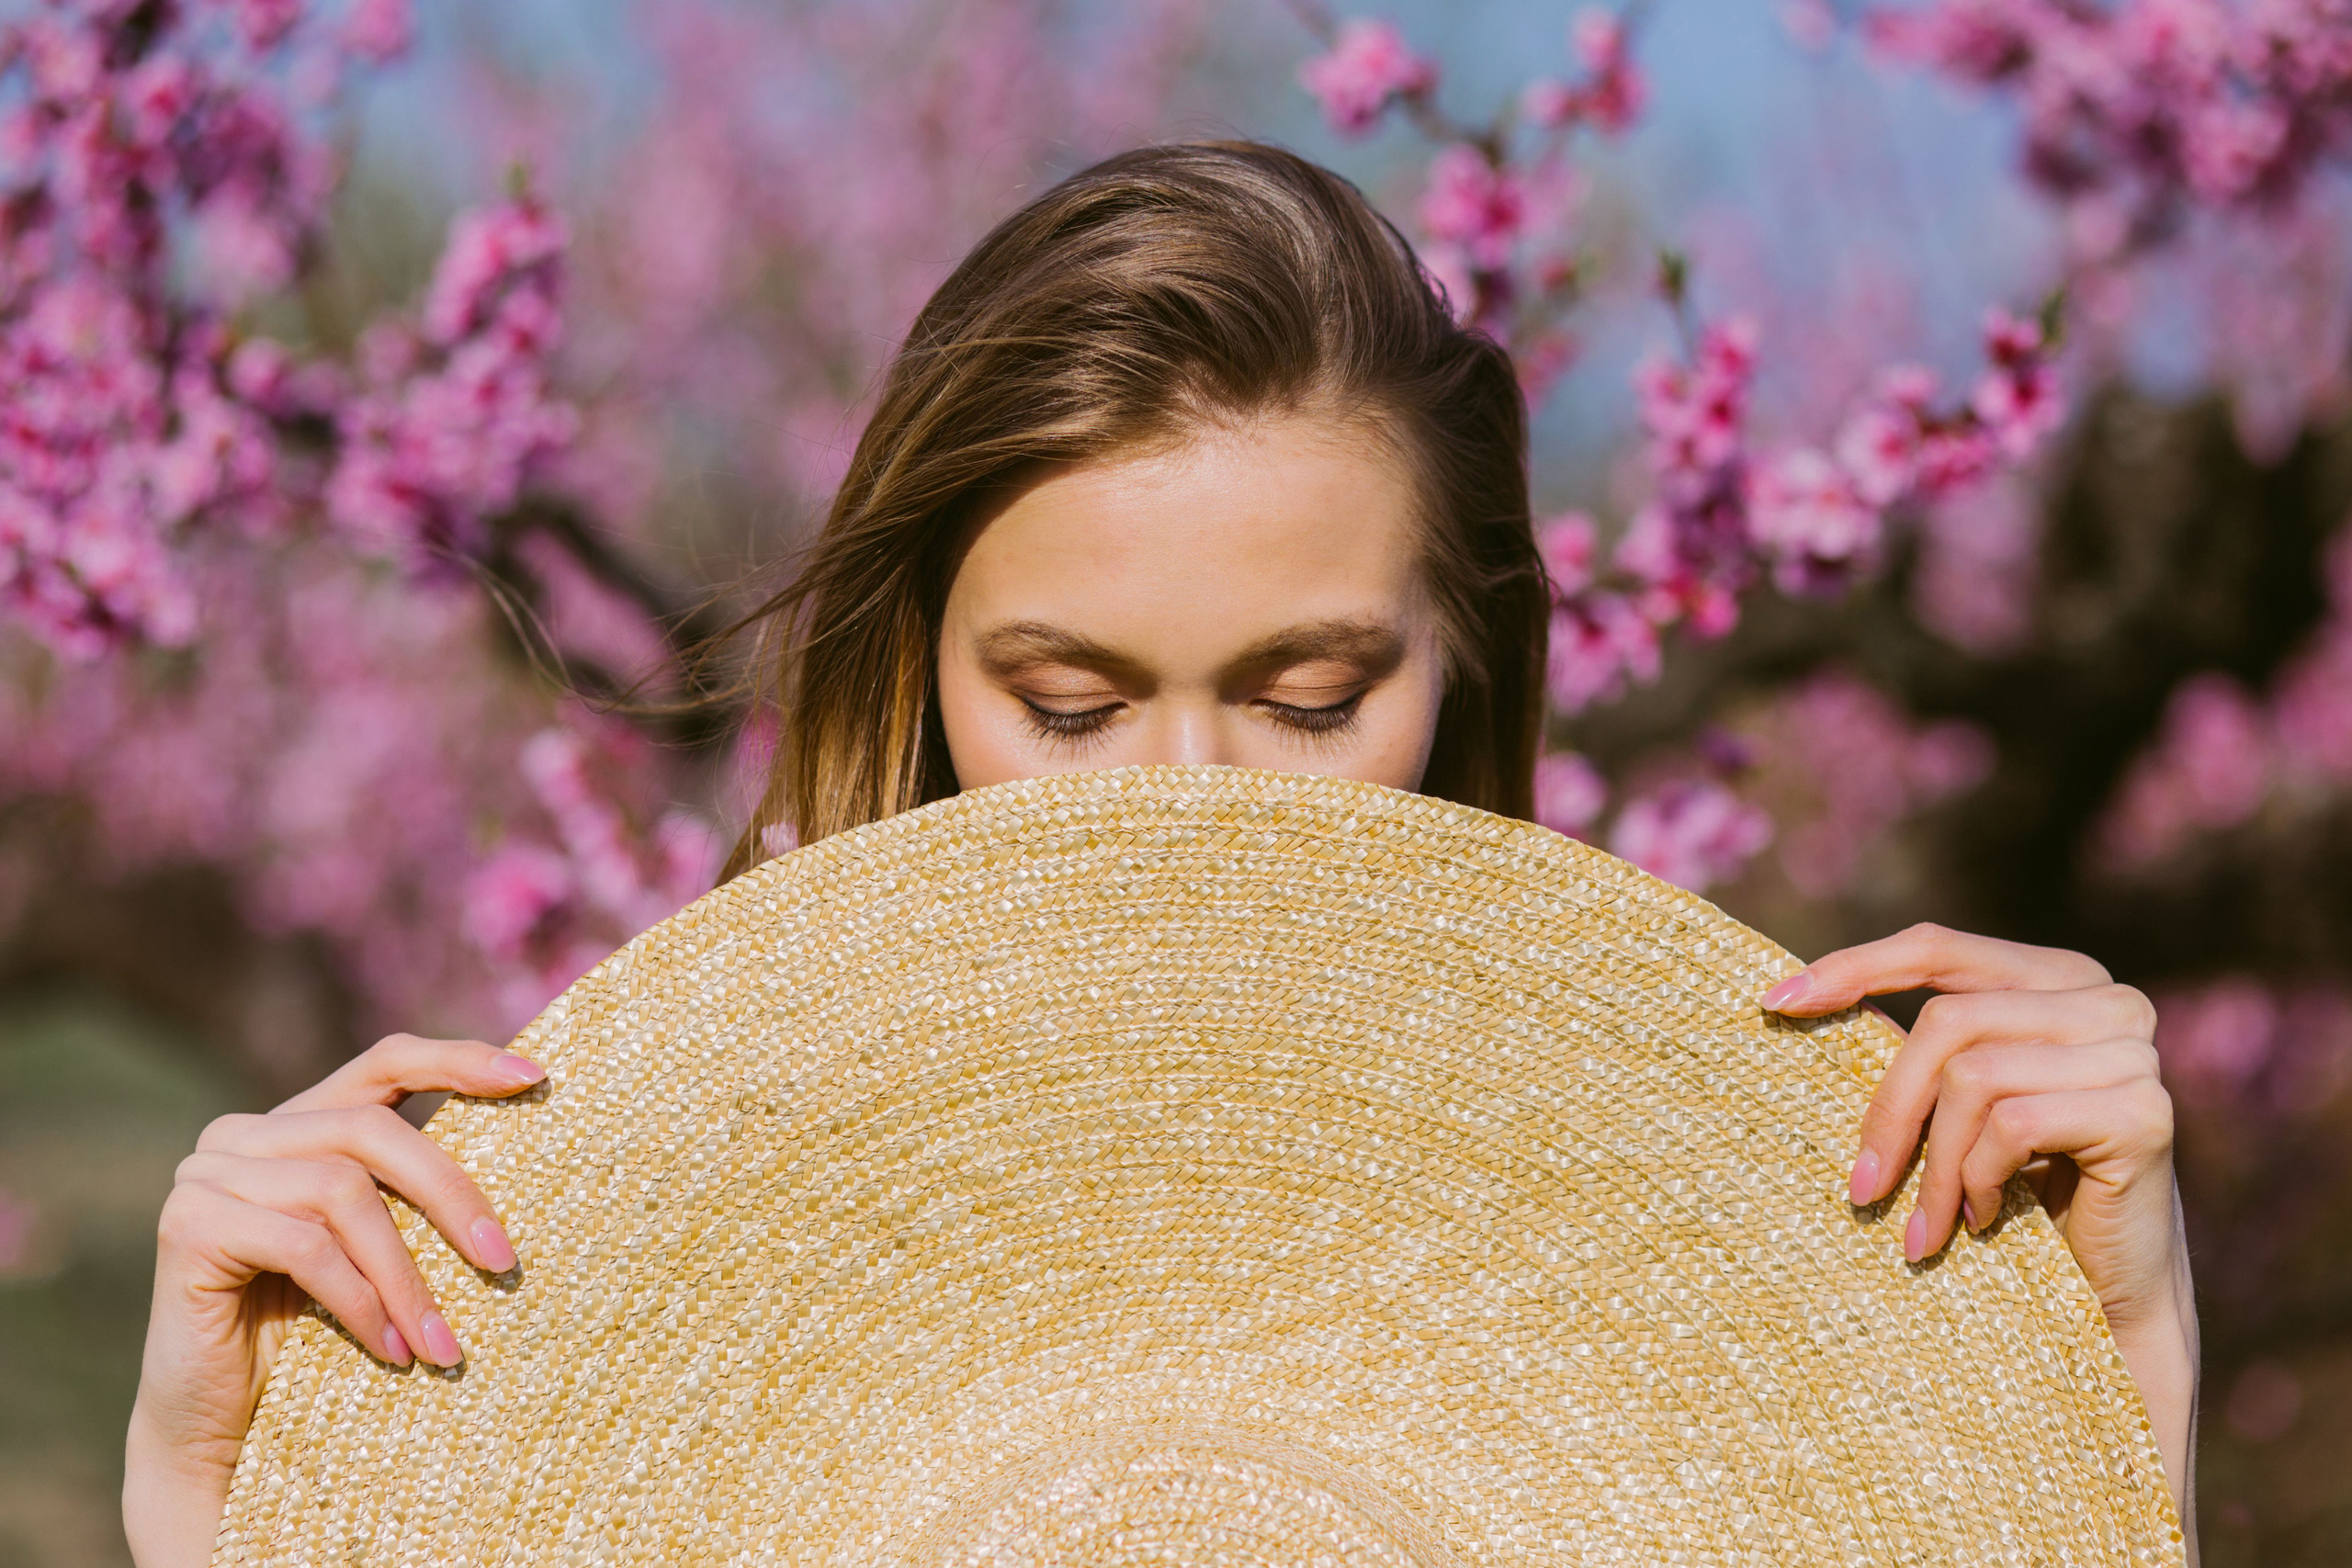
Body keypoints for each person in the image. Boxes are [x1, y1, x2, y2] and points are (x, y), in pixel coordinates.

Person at [122, 141, 2199, 1565]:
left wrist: (2108, 1381)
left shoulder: (1775, 1253)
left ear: (1466, 669)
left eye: (1309, 695)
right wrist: (218, 1497)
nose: (1183, 805)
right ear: (920, 669)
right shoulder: (570, 1267)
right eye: (1068, 698)